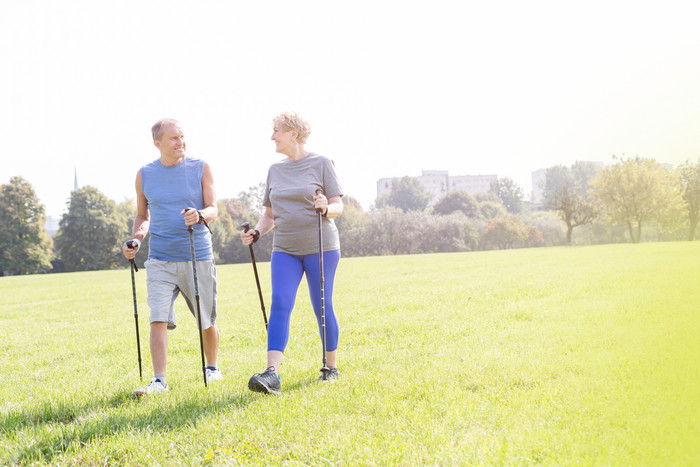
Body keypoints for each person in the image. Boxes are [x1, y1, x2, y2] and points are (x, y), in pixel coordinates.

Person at [241, 112, 344, 395]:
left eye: (276, 131)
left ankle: (330, 366)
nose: (272, 136)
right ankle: (271, 373)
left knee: (321, 304)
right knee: (280, 302)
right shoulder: (275, 170)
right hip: (284, 248)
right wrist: (257, 233)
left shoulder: (321, 163)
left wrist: (325, 206)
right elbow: (269, 215)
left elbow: (337, 206)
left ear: (293, 134)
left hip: (321, 246)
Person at [122, 118, 221, 395]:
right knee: (157, 318)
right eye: (173, 138)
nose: (181, 142)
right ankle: (159, 380)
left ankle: (212, 367)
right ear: (158, 143)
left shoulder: (201, 167)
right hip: (160, 259)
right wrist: (136, 241)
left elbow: (213, 207)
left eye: (182, 136)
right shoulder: (144, 174)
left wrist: (199, 215)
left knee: (206, 319)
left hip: (196, 254)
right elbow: (143, 216)